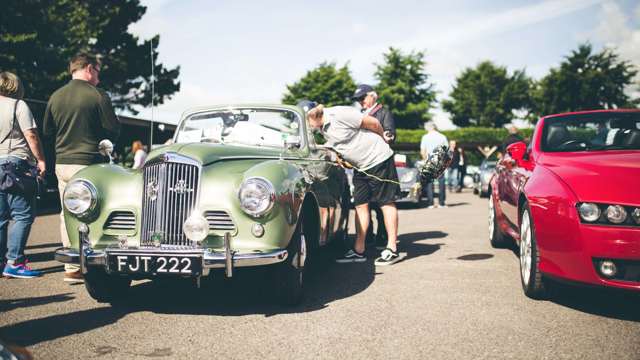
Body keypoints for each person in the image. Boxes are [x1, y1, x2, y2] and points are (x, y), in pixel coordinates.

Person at [43, 52, 121, 283]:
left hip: (62, 163)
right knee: (93, 212)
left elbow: (47, 132)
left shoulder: (56, 96)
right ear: (88, 68)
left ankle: (71, 266)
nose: (99, 77)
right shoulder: (98, 95)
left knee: (66, 212)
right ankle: (91, 264)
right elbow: (113, 129)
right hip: (88, 163)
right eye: (97, 71)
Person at [306, 103, 401, 265]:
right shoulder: (321, 127)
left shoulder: (340, 114)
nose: (307, 126)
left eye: (306, 121)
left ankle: (392, 248)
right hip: (360, 167)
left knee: (386, 202)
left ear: (314, 116)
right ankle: (359, 249)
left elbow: (373, 123)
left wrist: (382, 141)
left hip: (378, 159)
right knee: (360, 205)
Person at [0, 72, 46, 278]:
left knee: (0, 218)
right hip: (15, 164)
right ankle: (15, 261)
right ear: (15, 86)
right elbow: (31, 134)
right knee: (23, 214)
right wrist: (41, 160)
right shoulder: (18, 105)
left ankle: (1, 264)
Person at [352, 84, 396, 249]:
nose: (360, 102)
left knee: (382, 204)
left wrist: (387, 135)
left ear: (373, 96)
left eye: (362, 98)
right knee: (363, 203)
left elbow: (390, 134)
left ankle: (383, 238)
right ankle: (366, 238)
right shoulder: (358, 115)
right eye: (358, 99)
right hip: (361, 164)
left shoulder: (384, 113)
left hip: (379, 163)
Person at [420, 122, 448, 208]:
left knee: (429, 183)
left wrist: (425, 160)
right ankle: (441, 203)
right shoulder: (442, 136)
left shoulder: (425, 137)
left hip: (430, 161)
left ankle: (430, 203)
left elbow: (422, 151)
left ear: (429, 128)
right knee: (441, 182)